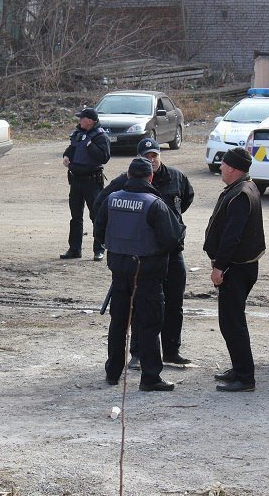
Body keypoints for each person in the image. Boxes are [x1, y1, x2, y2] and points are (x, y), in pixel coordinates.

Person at [95, 138, 195, 368]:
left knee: (173, 301)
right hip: (141, 256)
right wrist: (119, 238)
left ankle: (171, 350)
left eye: (154, 155)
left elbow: (186, 200)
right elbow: (100, 206)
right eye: (146, 157)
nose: (151, 160)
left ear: (160, 155)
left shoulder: (176, 177)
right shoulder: (125, 181)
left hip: (171, 252)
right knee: (142, 307)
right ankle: (139, 353)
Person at [203, 147, 265, 392]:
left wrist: (219, 267)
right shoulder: (244, 188)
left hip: (236, 269)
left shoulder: (241, 194)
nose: (220, 168)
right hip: (239, 267)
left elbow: (232, 237)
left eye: (223, 164)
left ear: (232, 168)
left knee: (232, 323)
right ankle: (239, 368)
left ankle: (245, 377)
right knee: (231, 321)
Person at [61, 107, 111, 261]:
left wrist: (90, 145)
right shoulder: (78, 134)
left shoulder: (101, 137)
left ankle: (99, 249)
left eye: (81, 118)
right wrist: (66, 156)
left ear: (89, 121)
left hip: (92, 181)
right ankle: (74, 249)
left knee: (96, 215)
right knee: (75, 217)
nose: (79, 120)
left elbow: (104, 157)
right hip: (76, 180)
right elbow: (72, 149)